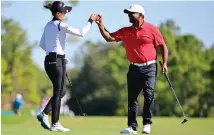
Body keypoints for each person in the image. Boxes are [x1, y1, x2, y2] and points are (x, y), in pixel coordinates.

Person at [95, 4, 168, 134]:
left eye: (132, 13)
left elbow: (163, 46)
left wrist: (165, 63)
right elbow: (109, 37)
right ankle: (132, 127)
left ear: (141, 16)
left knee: (149, 95)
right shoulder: (125, 31)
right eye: (128, 14)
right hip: (133, 68)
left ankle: (147, 123)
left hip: (150, 67)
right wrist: (100, 25)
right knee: (132, 98)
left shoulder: (152, 29)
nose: (129, 16)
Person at [38, 1, 97, 132]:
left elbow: (42, 45)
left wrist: (58, 52)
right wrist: (90, 21)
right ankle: (55, 123)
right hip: (56, 61)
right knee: (58, 92)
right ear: (58, 13)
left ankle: (45, 114)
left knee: (62, 91)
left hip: (49, 60)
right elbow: (81, 32)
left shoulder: (48, 25)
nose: (65, 13)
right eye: (64, 12)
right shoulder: (60, 25)